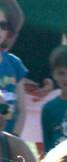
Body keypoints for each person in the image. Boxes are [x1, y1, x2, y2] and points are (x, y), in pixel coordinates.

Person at [7, 0, 67, 150]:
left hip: (48, 87)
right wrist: (17, 78)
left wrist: (55, 81)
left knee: (51, 155)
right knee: (6, 149)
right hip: (8, 83)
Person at [0, 3, 27, 136]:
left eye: (3, 26)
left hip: (7, 140)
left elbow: (22, 110)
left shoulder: (14, 64)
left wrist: (14, 137)